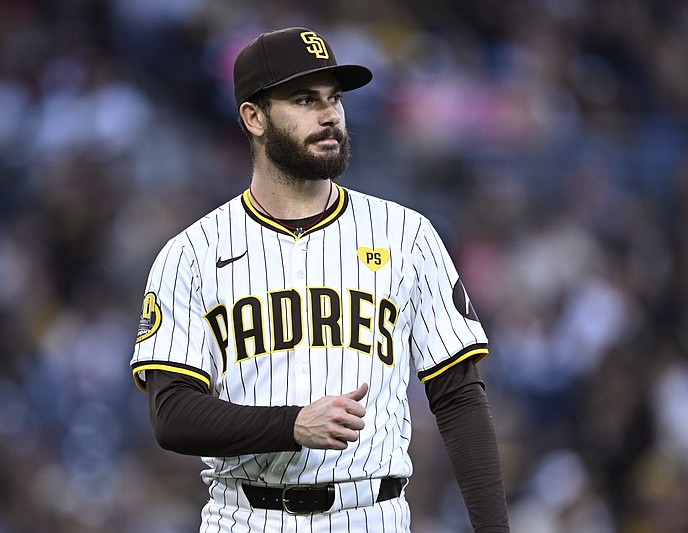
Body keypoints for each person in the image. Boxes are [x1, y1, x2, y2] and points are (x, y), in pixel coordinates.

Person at [130, 26, 509, 533]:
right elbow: (172, 415)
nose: (329, 114)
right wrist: (291, 425)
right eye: (304, 100)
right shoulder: (191, 255)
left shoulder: (406, 234)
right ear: (253, 117)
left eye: (334, 99)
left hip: (372, 515)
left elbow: (459, 395)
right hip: (245, 517)